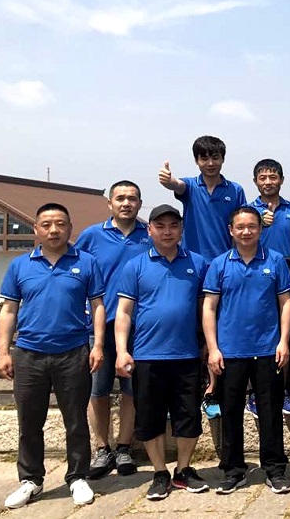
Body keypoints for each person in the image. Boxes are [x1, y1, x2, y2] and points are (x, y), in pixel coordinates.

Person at [0, 203, 104, 509]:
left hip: (73, 352)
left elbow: (97, 305)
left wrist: (97, 345)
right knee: (29, 421)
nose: (54, 230)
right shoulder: (20, 265)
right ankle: (31, 479)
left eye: (60, 224)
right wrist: (3, 351)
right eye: (46, 224)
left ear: (70, 228)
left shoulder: (86, 262)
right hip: (29, 353)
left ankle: (78, 476)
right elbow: (9, 310)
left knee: (76, 420)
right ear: (36, 229)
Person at [112, 205, 210, 500]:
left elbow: (206, 309)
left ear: (181, 230)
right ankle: (159, 472)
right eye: (161, 226)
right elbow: (124, 312)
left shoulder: (198, 263)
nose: (167, 232)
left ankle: (183, 469)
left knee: (188, 417)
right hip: (147, 355)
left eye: (173, 225)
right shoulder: (135, 266)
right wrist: (121, 351)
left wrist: (209, 345)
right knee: (150, 417)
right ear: (150, 230)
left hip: (187, 355)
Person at [202, 207, 290, 495]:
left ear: (260, 229)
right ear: (231, 230)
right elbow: (209, 307)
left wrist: (284, 341)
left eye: (252, 226)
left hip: (267, 349)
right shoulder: (219, 264)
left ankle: (275, 469)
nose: (246, 231)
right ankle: (233, 470)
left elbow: (286, 303)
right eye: (240, 227)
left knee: (270, 411)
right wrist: (213, 348)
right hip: (230, 351)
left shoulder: (275, 260)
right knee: (230, 412)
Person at [74, 180, 150, 480]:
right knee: (98, 389)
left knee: (132, 390)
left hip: (139, 326)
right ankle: (102, 447)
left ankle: (124, 447)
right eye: (120, 198)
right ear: (109, 203)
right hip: (99, 327)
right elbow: (74, 271)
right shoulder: (92, 236)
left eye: (132, 198)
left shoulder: (149, 235)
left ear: (139, 203)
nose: (126, 203)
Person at [249, 158, 290, 416]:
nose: (268, 182)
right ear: (255, 182)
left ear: (281, 180)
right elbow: (239, 241)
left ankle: (284, 391)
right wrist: (259, 224)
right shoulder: (248, 210)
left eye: (273, 177)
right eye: (262, 178)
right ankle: (255, 394)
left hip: (288, 276)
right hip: (256, 277)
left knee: (285, 335)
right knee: (260, 335)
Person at [159, 135, 247, 259]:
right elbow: (177, 185)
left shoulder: (235, 190)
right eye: (204, 159)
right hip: (191, 260)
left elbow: (243, 223)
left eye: (215, 158)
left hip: (224, 260)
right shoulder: (191, 186)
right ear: (196, 161)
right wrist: (168, 182)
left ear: (223, 159)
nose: (210, 163)